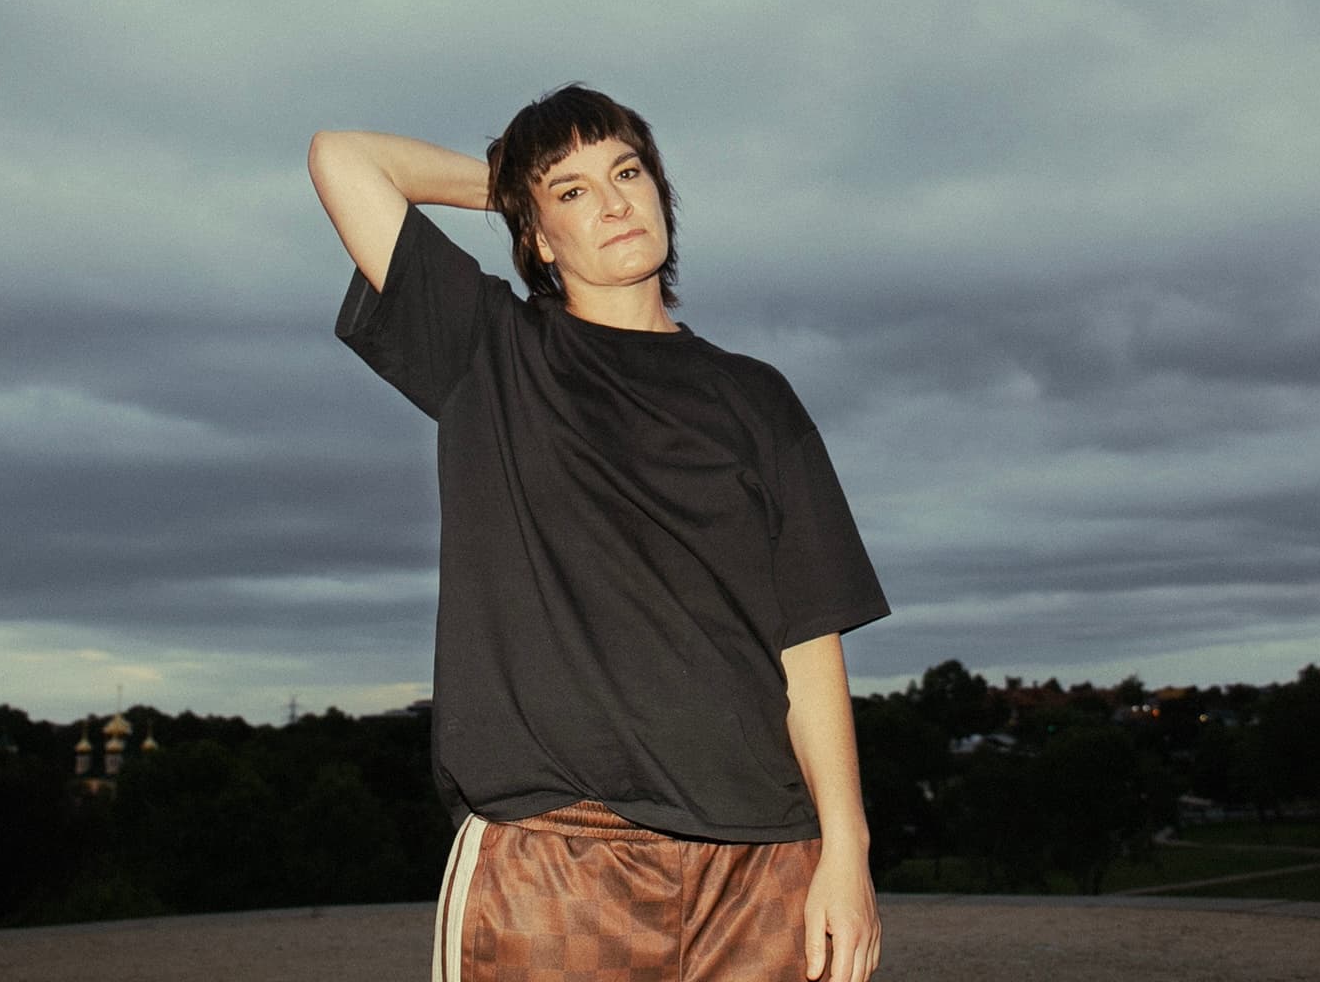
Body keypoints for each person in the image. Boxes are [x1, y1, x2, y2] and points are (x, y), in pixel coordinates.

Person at [309, 85, 889, 982]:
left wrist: (844, 853)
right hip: (554, 860)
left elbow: (808, 641)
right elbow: (343, 158)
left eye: (628, 173)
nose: (614, 201)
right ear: (538, 236)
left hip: (763, 857)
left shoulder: (757, 397)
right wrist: (515, 190)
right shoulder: (490, 351)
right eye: (574, 191)